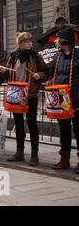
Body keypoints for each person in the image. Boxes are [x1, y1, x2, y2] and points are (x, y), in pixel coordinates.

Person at [0, 32, 50, 166]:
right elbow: (10, 73)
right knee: (18, 123)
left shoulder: (36, 56)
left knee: (32, 124)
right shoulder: (14, 57)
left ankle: (34, 154)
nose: (30, 44)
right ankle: (19, 152)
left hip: (30, 95)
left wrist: (39, 74)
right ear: (20, 44)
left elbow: (46, 71)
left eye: (30, 41)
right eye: (26, 41)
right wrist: (4, 70)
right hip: (16, 94)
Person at [47, 27, 79, 173]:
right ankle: (64, 158)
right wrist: (50, 81)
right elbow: (53, 73)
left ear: (65, 41)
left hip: (76, 98)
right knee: (64, 129)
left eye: (58, 39)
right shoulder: (56, 56)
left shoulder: (77, 55)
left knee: (78, 129)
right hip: (61, 99)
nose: (56, 41)